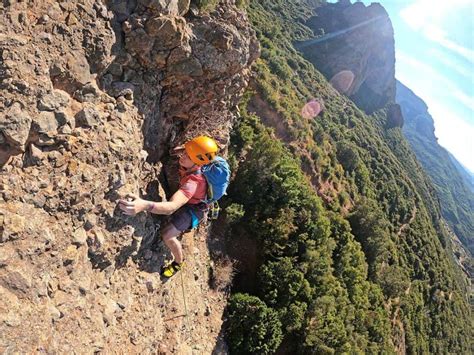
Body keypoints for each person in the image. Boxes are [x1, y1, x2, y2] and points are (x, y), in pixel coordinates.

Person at [118, 136, 219, 278]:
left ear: (197, 163)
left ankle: (178, 263)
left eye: (187, 156)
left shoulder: (193, 183)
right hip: (192, 198)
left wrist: (144, 205)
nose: (183, 156)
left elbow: (171, 207)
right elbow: (183, 152)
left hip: (194, 209)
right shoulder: (194, 160)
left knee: (167, 235)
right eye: (185, 152)